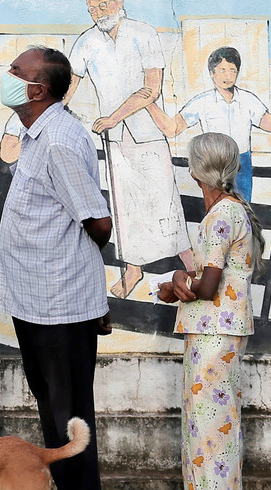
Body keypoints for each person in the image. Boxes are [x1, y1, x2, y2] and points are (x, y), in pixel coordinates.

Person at [0, 46, 112, 490]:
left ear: (37, 90)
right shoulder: (36, 135)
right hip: (38, 301)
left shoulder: (60, 140)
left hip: (59, 303)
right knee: (55, 413)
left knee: (70, 418)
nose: (8, 77)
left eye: (16, 73)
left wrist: (85, 287)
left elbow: (97, 221)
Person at [157, 132, 261, 490]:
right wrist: (183, 281)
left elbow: (208, 286)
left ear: (197, 170)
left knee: (211, 431)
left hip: (214, 334)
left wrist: (175, 285)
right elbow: (207, 279)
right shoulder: (235, 212)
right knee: (205, 428)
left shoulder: (220, 216)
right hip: (217, 332)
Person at [66, 0, 193, 299]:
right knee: (124, 208)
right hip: (113, 138)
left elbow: (153, 88)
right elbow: (70, 84)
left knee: (165, 200)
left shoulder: (144, 32)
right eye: (92, 8)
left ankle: (191, 264)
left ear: (119, 2)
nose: (98, 13)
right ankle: (132, 269)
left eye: (103, 5)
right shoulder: (86, 42)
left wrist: (114, 117)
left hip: (147, 131)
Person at [146, 46, 271, 202]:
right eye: (222, 70)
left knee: (243, 211)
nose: (228, 75)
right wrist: (149, 104)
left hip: (242, 162)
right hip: (214, 163)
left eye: (233, 70)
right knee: (218, 214)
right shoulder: (203, 102)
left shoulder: (248, 100)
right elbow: (173, 129)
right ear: (212, 74)